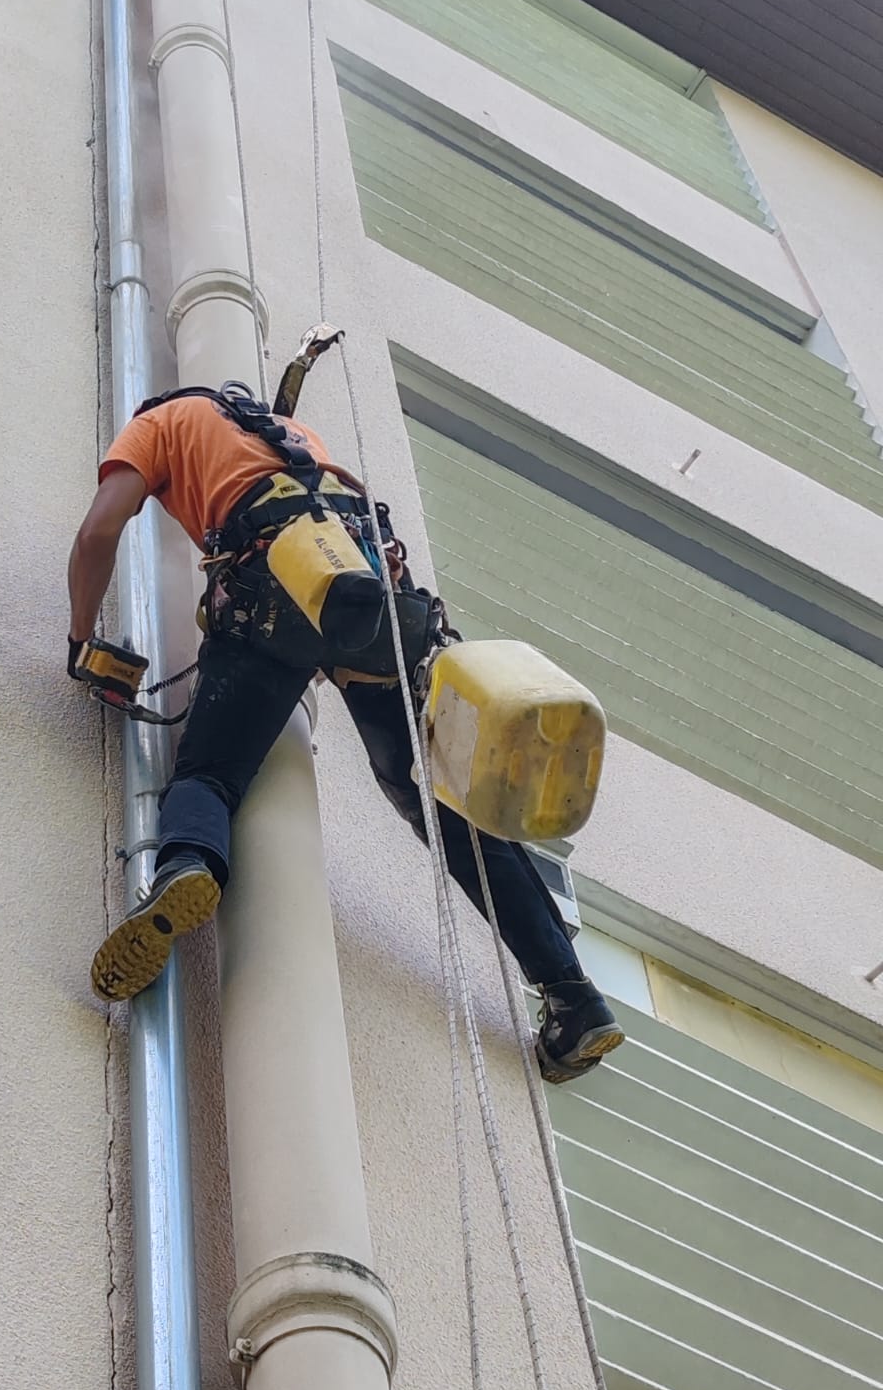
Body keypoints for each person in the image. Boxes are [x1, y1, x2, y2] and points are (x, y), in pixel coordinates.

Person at [68, 380, 624, 1084]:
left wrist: (81, 642)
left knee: (209, 773)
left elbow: (99, 531)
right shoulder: (296, 441)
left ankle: (187, 864)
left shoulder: (163, 421)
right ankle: (575, 999)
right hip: (365, 603)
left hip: (271, 597)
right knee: (430, 800)